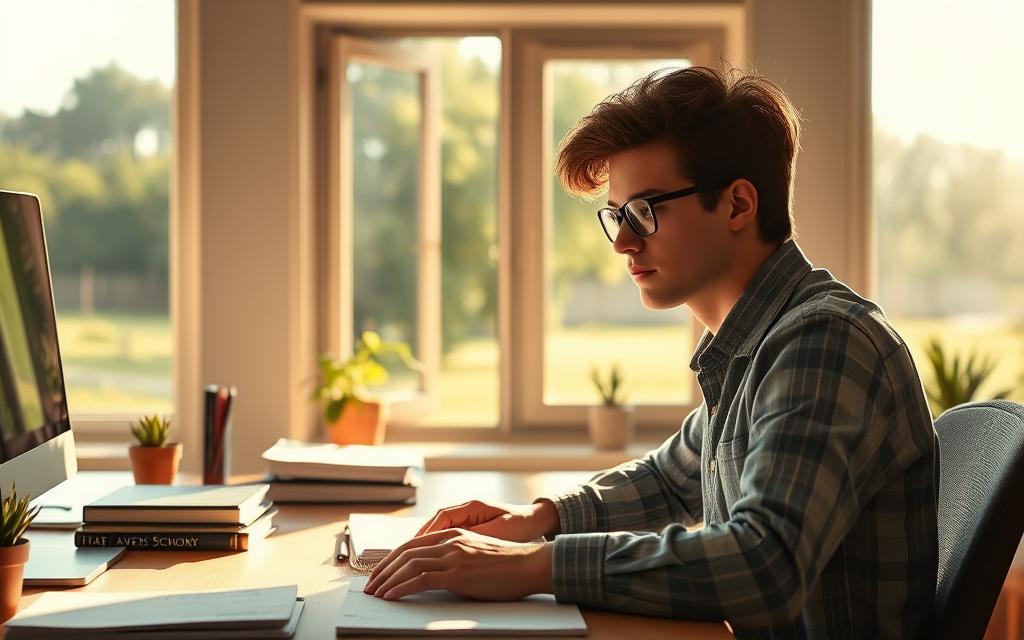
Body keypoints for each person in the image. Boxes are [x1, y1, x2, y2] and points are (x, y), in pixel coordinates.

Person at [364, 66, 937, 638]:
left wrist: (533, 566)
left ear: (738, 204)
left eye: (645, 211)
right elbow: (670, 480)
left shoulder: (824, 342)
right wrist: (539, 518)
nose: (622, 242)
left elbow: (766, 564)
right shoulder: (755, 346)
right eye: (617, 215)